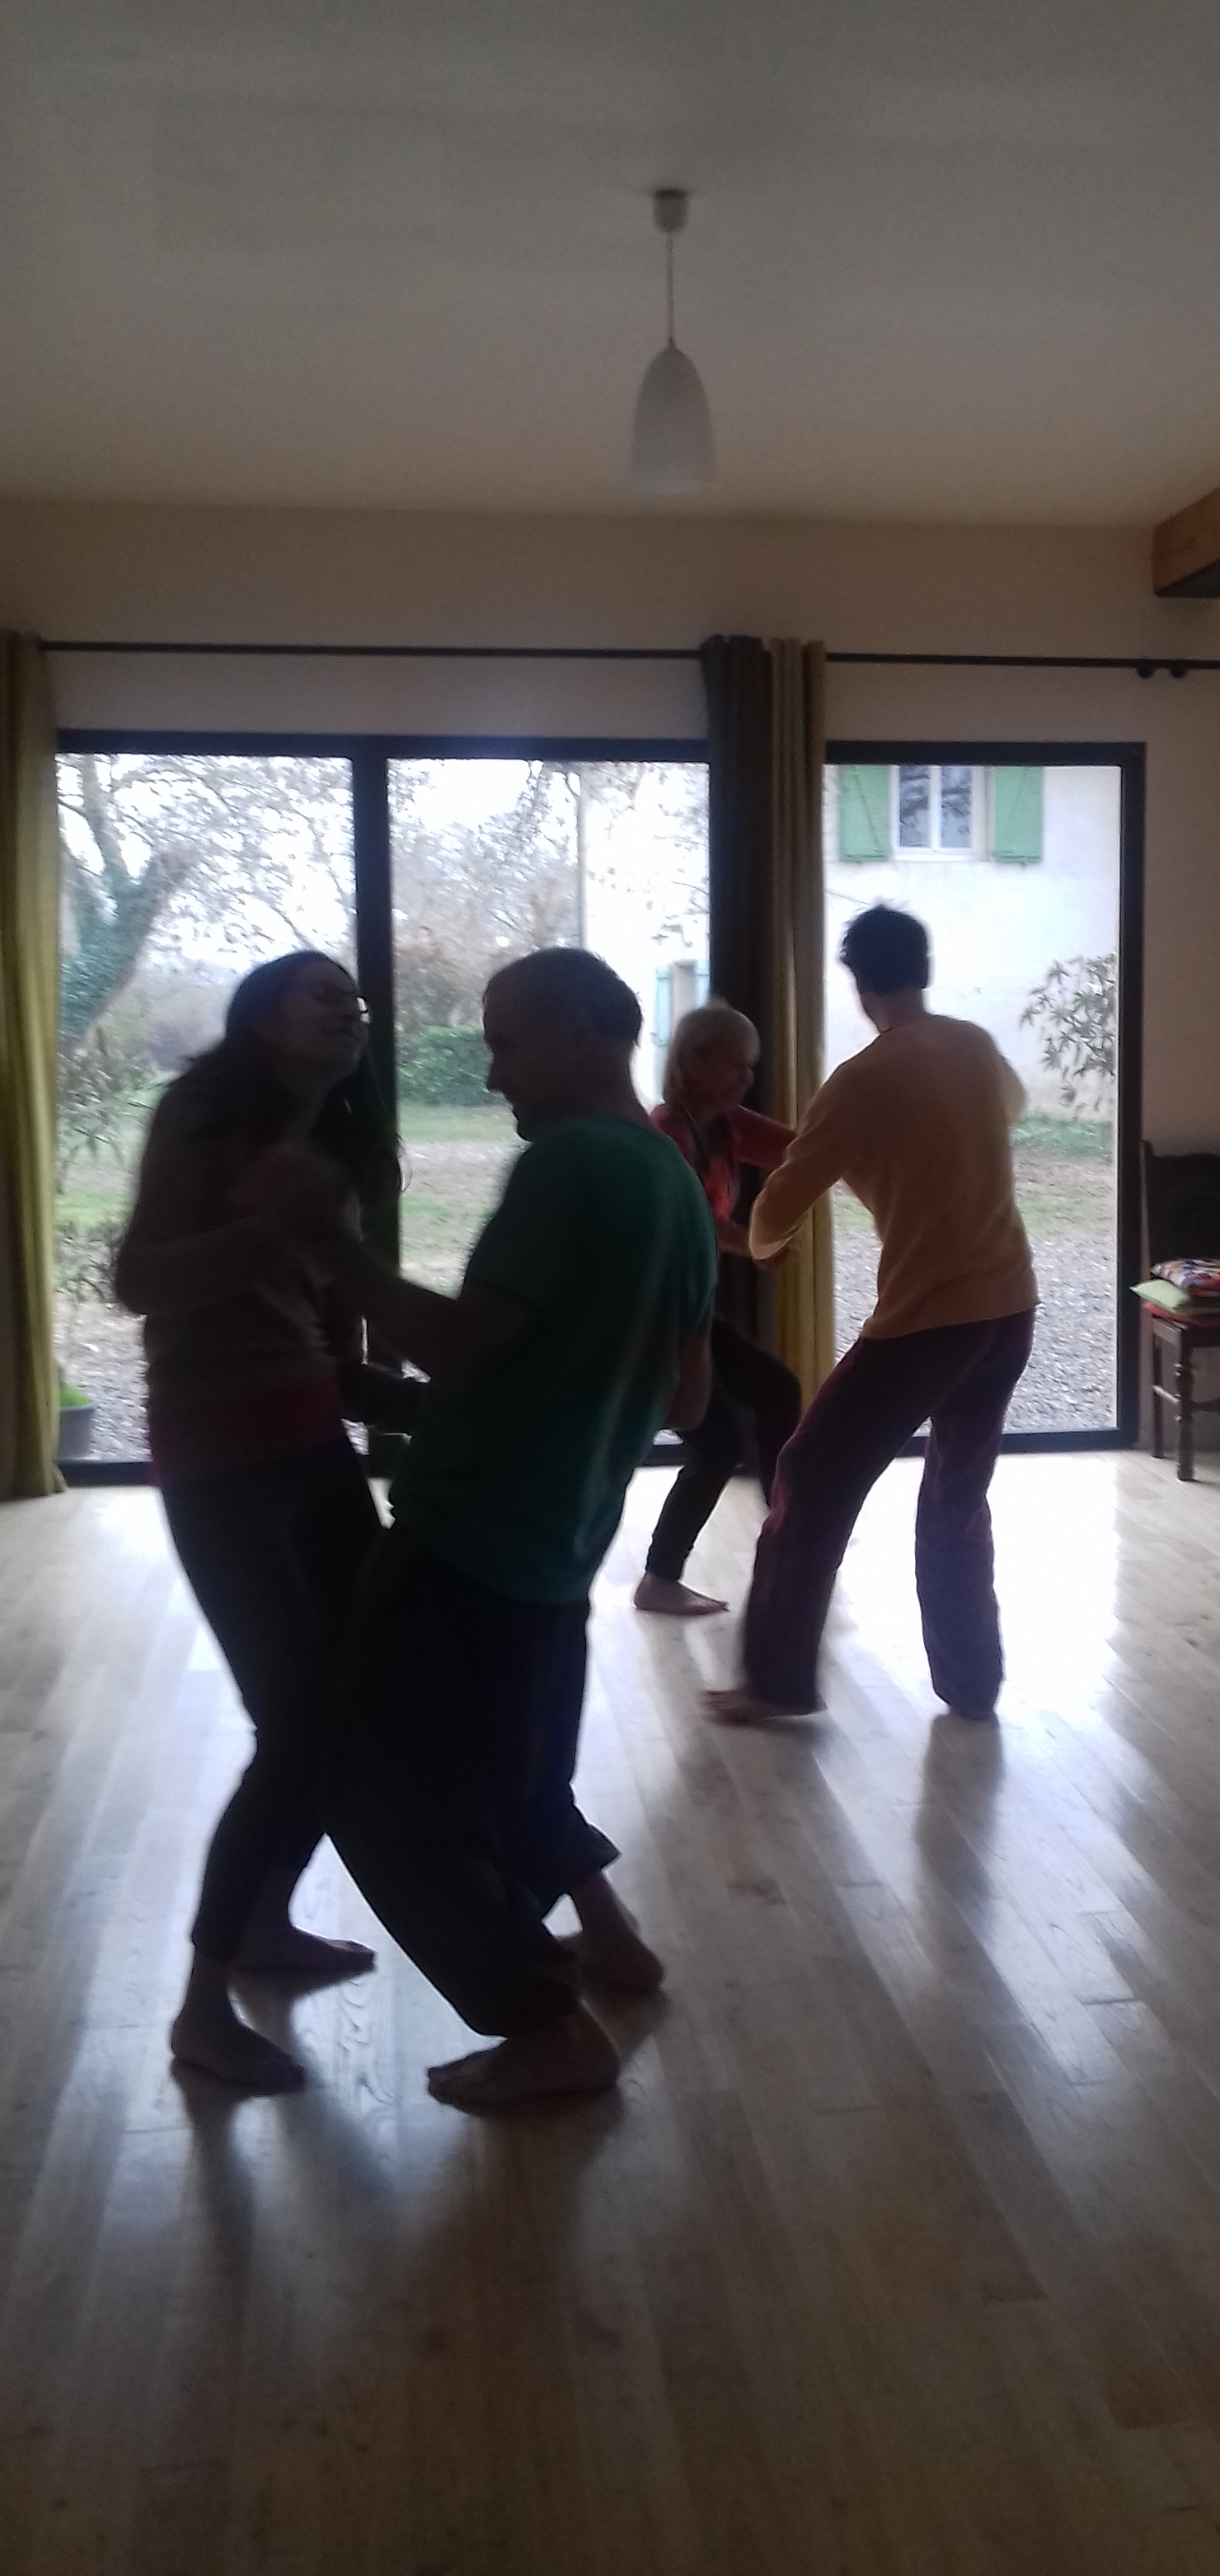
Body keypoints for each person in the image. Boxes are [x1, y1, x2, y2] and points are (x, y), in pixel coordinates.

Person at [298, 949, 716, 2110]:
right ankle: (612, 1942)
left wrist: (330, 1248)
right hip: (561, 1541)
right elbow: (687, 1400)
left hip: (467, 1536)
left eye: (505, 1043)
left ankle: (547, 2025)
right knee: (521, 1776)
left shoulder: (567, 1163)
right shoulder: (672, 1177)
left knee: (377, 1795)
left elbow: (460, 1344)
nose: (492, 1075)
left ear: (582, 1032)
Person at [114, 951, 420, 2092]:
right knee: (294, 1719)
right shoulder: (201, 1114)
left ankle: (264, 1923)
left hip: (307, 1437)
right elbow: (140, 1280)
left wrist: (425, 1397)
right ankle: (201, 2012)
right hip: (217, 1450)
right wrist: (271, 1231)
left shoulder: (331, 1143)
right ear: (259, 1018)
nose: (349, 1007)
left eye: (356, 999)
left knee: (361, 1697)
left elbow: (318, 1332)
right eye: (320, 991)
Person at [710, 904, 1037, 1728]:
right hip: (1009, 1308)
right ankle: (972, 1684)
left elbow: (780, 1200)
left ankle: (776, 1681)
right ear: (922, 970)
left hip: (931, 1321)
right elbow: (1010, 1107)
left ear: (859, 985)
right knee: (956, 1498)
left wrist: (761, 1246)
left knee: (810, 1476)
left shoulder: (859, 1081)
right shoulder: (973, 1045)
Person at [635, 1000, 802, 1617]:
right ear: (692, 1062)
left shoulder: (726, 1125)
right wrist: (755, 1242)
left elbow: (804, 1152)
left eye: (750, 1066)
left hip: (687, 1311)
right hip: (647, 1320)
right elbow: (694, 1223)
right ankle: (659, 1578)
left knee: (777, 1389)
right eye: (735, 1064)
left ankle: (789, 1530)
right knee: (718, 1442)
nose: (745, 1077)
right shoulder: (666, 1134)